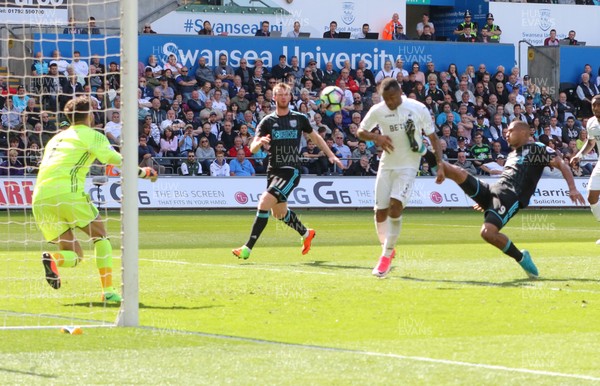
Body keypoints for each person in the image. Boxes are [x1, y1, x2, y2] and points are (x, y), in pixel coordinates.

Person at [32, 96, 157, 303]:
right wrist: (143, 172)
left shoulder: (56, 138)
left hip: (40, 197)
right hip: (67, 192)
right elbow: (117, 161)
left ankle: (54, 259)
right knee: (101, 237)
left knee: (76, 254)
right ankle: (108, 292)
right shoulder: (92, 135)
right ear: (89, 115)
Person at [437, 121, 584, 278]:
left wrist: (573, 188)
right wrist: (488, 200)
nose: (506, 134)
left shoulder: (536, 148)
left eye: (510, 131)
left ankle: (521, 258)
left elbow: (561, 163)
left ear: (522, 133)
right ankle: (423, 151)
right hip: (494, 190)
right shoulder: (512, 154)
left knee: (487, 233)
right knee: (457, 171)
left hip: (510, 196)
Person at [232, 82, 342, 260]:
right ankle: (307, 234)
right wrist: (259, 143)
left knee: (264, 202)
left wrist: (331, 155)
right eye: (279, 94)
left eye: (286, 94)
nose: (283, 97)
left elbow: (316, 137)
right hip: (273, 170)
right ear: (273, 97)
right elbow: (252, 148)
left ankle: (247, 248)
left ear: (290, 97)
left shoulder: (299, 118)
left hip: (291, 170)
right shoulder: (267, 121)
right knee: (279, 213)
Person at [357, 78, 444, 278]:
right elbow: (360, 131)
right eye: (386, 98)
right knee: (380, 212)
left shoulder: (417, 108)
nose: (389, 102)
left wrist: (439, 165)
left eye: (392, 98)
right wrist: (376, 137)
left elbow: (433, 138)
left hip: (408, 165)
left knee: (396, 207)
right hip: (387, 164)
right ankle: (387, 247)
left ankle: (385, 256)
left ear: (400, 93)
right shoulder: (378, 110)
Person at [571, 96, 600, 243]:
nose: (595, 108)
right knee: (591, 197)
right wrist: (579, 155)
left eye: (598, 106)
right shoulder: (591, 123)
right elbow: (590, 141)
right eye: (594, 106)